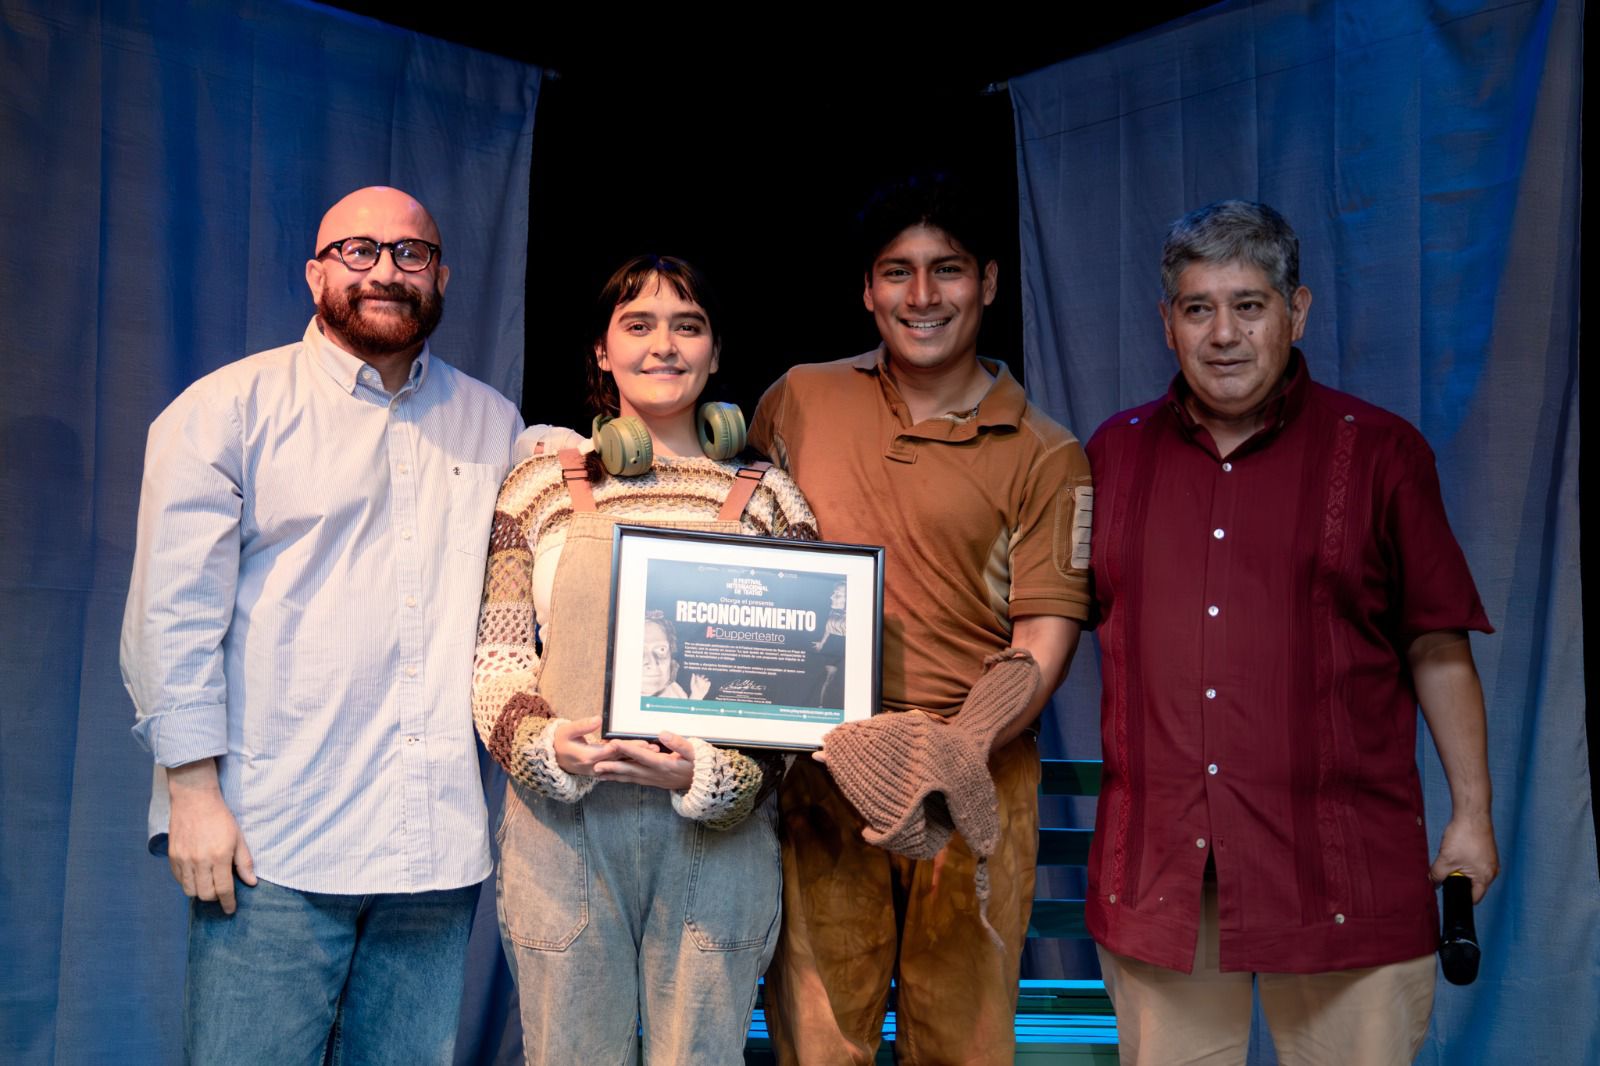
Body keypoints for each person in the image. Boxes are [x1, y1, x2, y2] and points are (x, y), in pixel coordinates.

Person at [1085, 200, 1499, 1065]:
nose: (1223, 334)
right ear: (1167, 323)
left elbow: (1437, 646)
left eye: (1249, 305)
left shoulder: (1382, 453)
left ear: (1297, 311)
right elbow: (1049, 620)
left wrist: (1471, 816)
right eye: (1198, 309)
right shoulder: (1111, 456)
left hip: (1342, 872)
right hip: (1166, 879)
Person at [121, 186, 523, 1063]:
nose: (385, 270)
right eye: (357, 250)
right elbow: (169, 616)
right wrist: (191, 795)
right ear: (315, 275)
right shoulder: (225, 410)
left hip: (433, 857)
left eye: (411, 253)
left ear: (442, 276)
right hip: (273, 846)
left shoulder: (495, 423)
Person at [747, 174, 1092, 1065]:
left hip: (978, 776)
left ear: (989, 282)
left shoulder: (1046, 451)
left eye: (949, 269)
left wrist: (953, 757)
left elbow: (1043, 637)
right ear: (868, 290)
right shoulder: (800, 398)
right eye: (897, 271)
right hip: (825, 774)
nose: (923, 295)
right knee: (820, 1045)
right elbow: (737, 547)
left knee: (964, 1046)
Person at [472, 255, 817, 1065]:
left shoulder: (771, 500)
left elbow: (799, 701)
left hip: (715, 849)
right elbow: (497, 660)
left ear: (715, 352)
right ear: (603, 350)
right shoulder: (536, 489)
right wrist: (544, 747)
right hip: (564, 836)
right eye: (639, 324)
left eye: (687, 326)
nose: (664, 344)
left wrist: (714, 775)